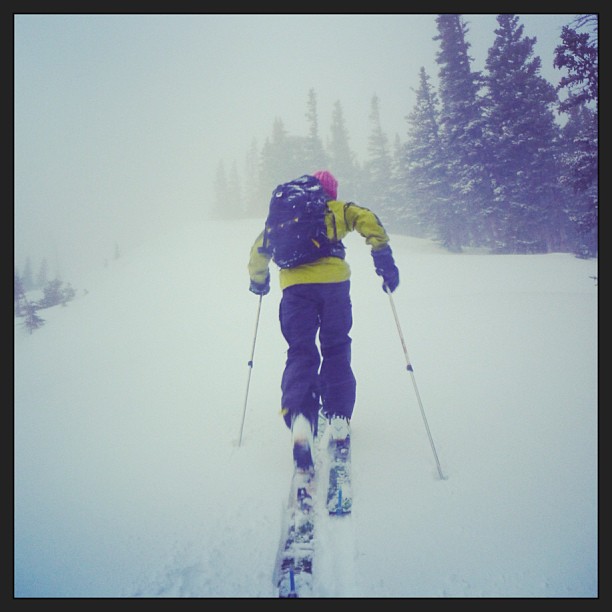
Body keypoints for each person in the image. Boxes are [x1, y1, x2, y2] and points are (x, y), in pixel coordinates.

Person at [248, 170, 399, 472]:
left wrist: (259, 280)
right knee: (336, 347)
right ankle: (339, 415)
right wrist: (383, 258)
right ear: (331, 191)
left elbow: (259, 249)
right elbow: (367, 219)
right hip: (334, 288)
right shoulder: (336, 209)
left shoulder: (286, 215)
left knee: (300, 351)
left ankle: (301, 419)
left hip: (295, 291)